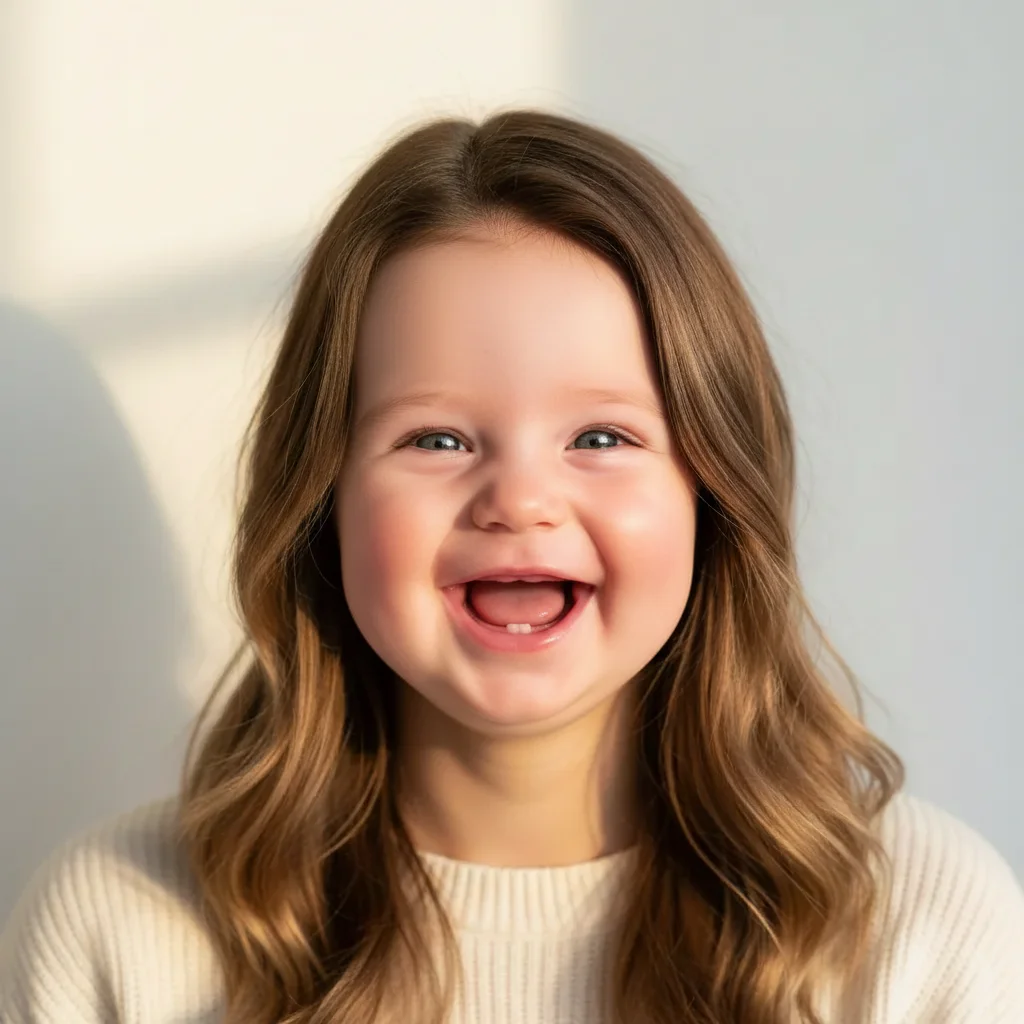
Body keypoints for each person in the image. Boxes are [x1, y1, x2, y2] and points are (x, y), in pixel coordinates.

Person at [2, 108, 1023, 1024]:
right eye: (436, 439)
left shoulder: (921, 930)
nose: (519, 499)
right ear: (321, 498)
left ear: (711, 494)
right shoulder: (116, 925)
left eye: (603, 436)